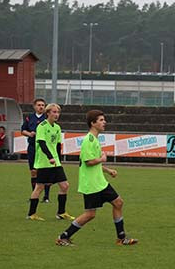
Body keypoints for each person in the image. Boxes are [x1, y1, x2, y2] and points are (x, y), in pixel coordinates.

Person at [56, 110, 138, 246]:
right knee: (90, 214)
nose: (104, 122)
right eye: (101, 120)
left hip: (100, 182)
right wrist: (102, 158)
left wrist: (108, 170)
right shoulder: (88, 140)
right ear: (93, 123)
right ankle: (63, 237)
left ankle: (121, 238)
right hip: (91, 184)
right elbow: (89, 161)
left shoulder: (95, 139)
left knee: (118, 203)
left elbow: (94, 162)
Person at [26, 103, 74, 221]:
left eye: (58, 112)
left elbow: (57, 145)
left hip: (55, 163)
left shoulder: (57, 128)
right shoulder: (42, 126)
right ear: (48, 113)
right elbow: (42, 143)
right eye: (54, 112)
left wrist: (58, 159)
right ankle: (31, 214)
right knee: (39, 187)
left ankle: (61, 213)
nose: (56, 114)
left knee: (64, 185)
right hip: (44, 162)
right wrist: (49, 157)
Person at [21, 98, 52, 202]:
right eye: (39, 105)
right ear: (34, 106)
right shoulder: (29, 118)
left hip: (44, 148)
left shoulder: (47, 118)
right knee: (33, 172)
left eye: (43, 105)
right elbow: (23, 130)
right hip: (33, 147)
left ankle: (46, 196)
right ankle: (34, 196)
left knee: (45, 172)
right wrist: (30, 134)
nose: (41, 107)